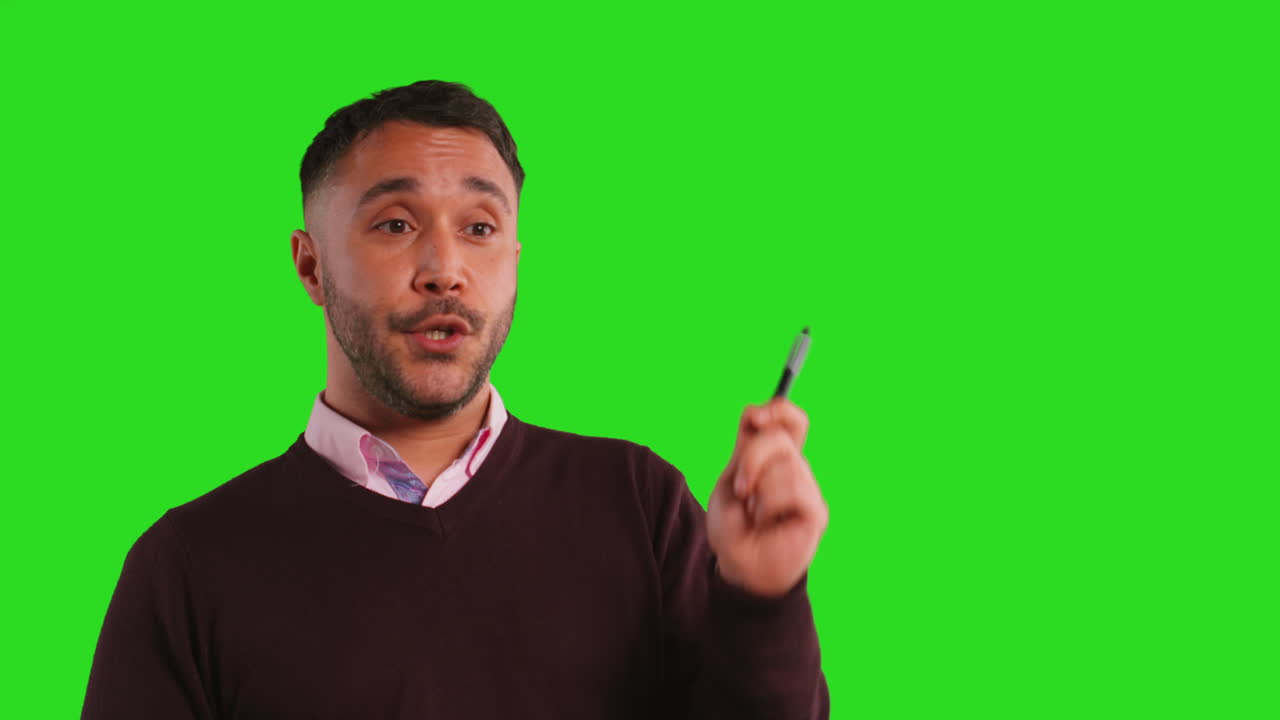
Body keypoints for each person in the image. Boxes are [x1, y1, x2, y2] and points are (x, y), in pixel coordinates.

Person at [82, 80, 830, 719]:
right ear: (310, 268)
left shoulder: (639, 503)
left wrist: (761, 598)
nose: (445, 269)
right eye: (396, 224)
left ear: (513, 261)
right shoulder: (185, 569)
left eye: (479, 228)